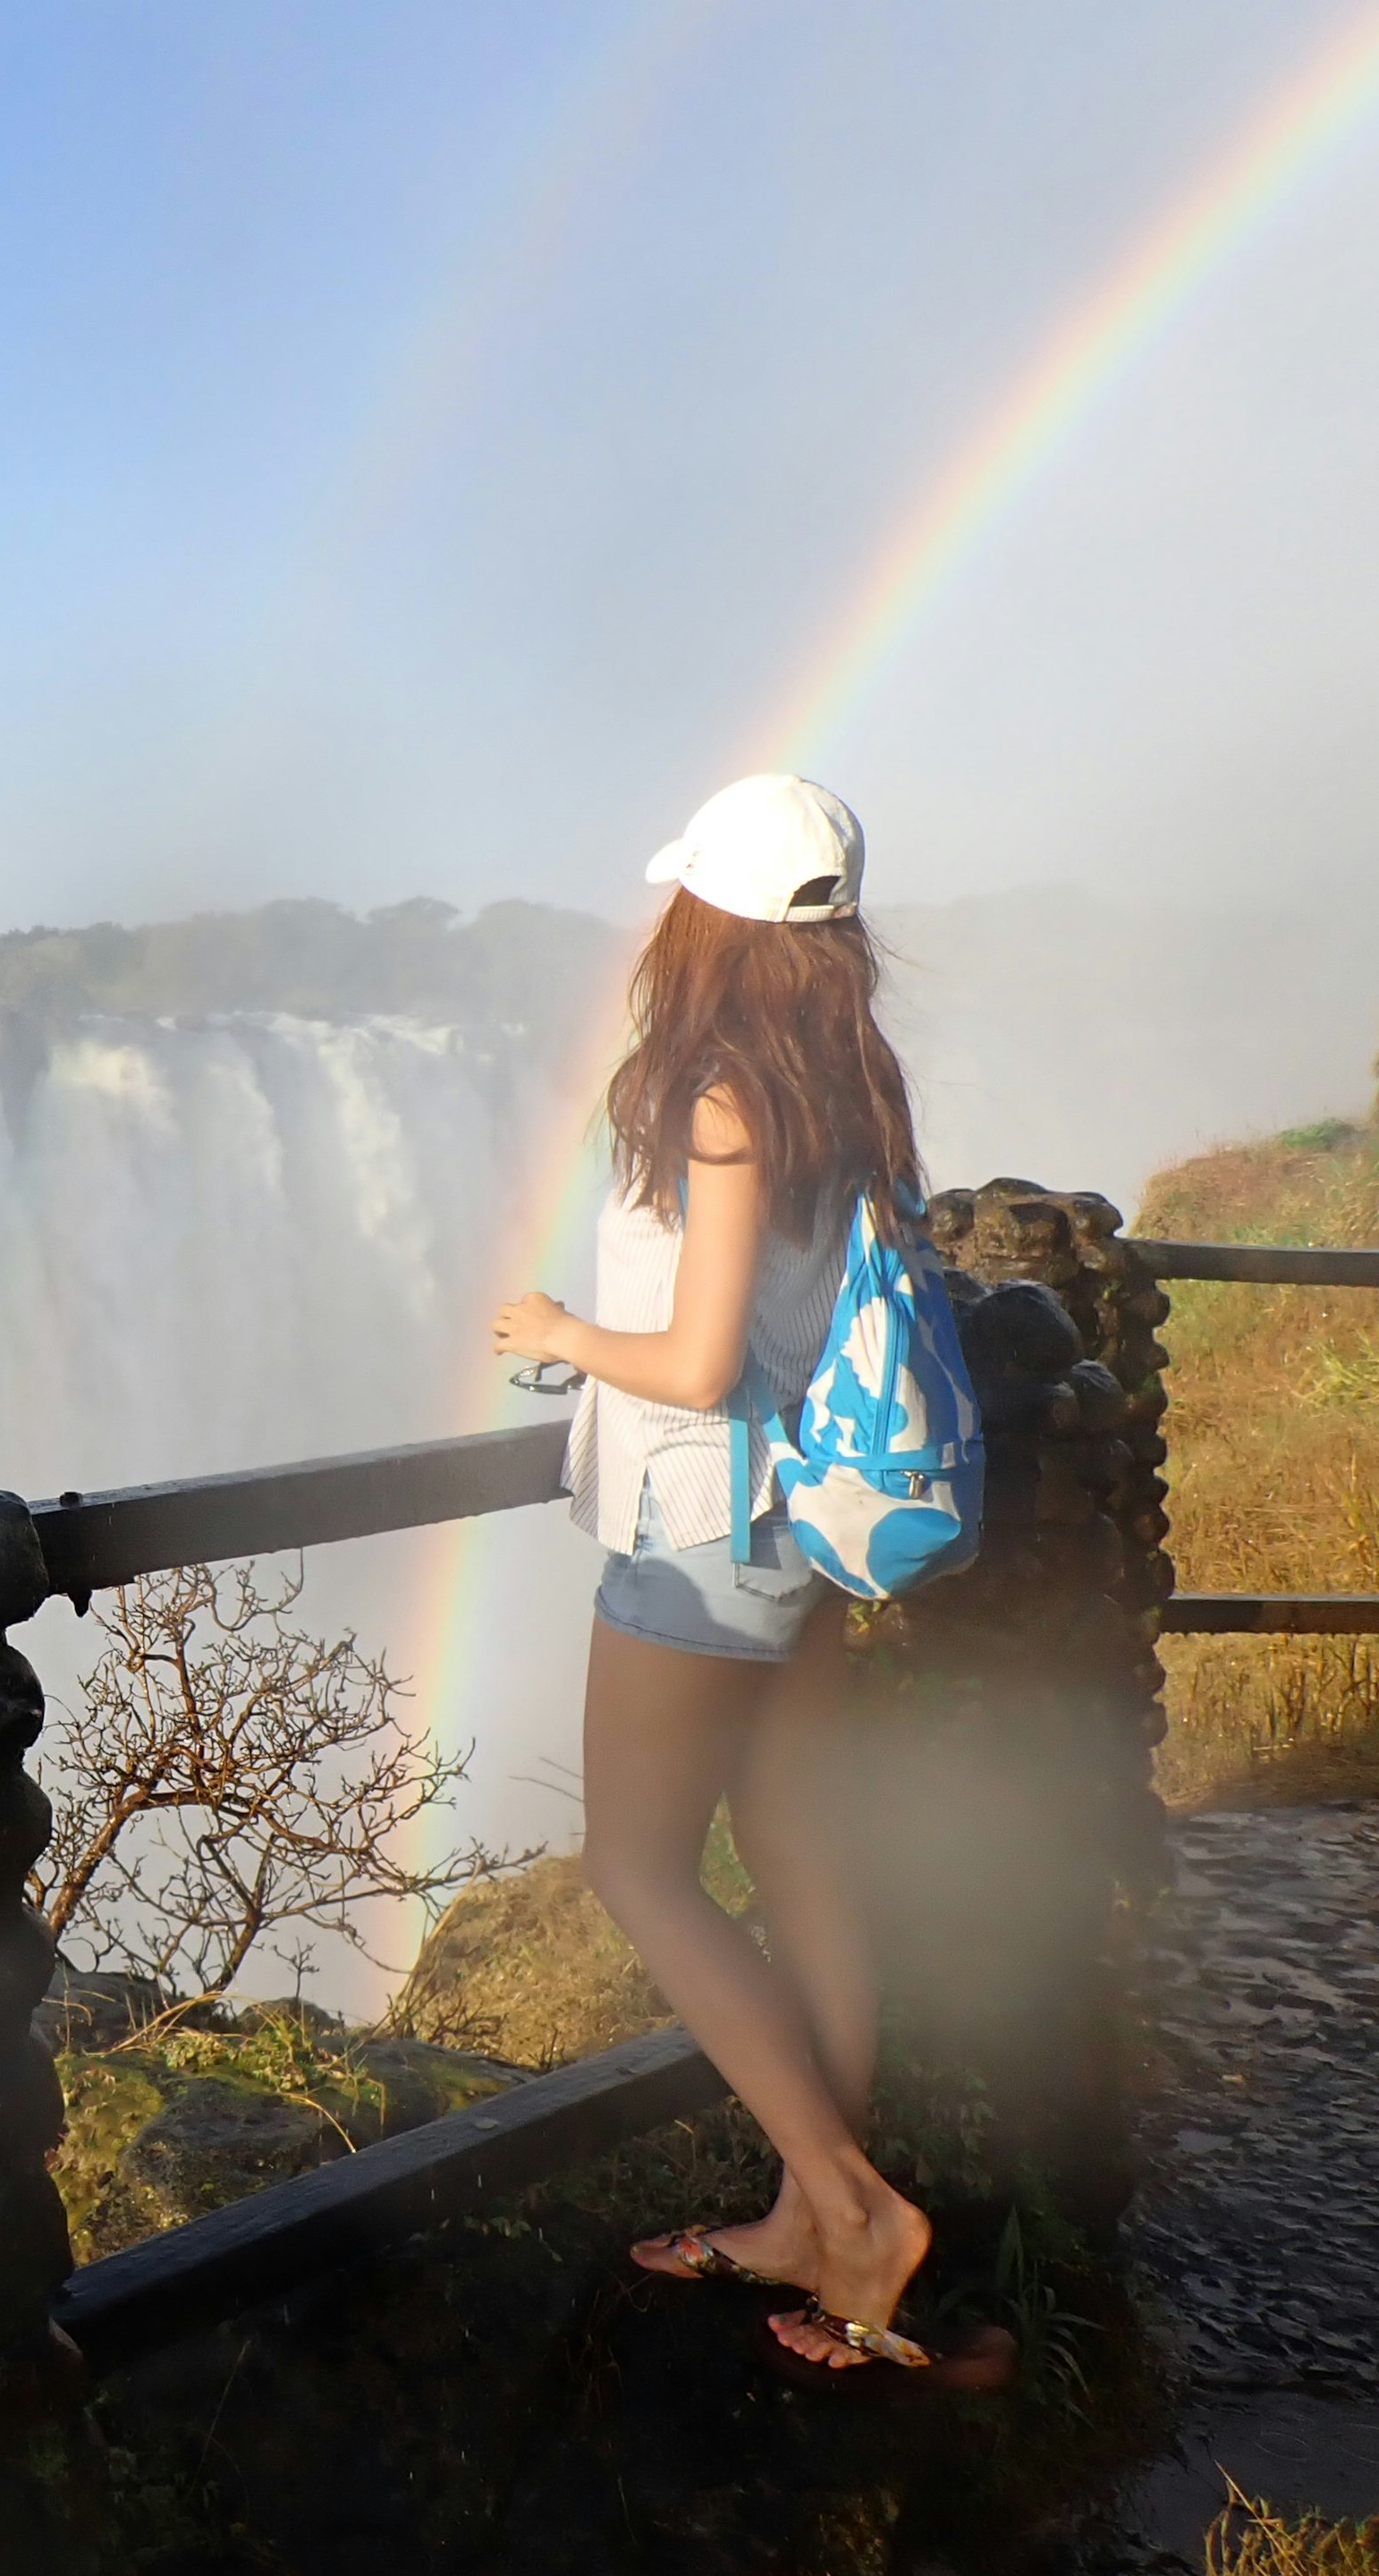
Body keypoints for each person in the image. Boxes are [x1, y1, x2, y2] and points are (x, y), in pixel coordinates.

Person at [492, 775, 966, 2377]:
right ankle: (801, 2209)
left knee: (634, 1864)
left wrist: (560, 1336)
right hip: (819, 1527)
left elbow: (696, 1363)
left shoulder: (717, 1095)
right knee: (793, 1841)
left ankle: (852, 2207)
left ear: (708, 920)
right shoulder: (849, 1074)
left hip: (711, 1533)